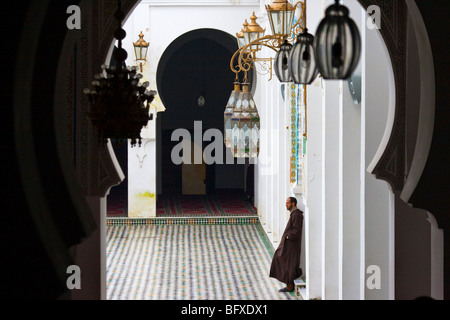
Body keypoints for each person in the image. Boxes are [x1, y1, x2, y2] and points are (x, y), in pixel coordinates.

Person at [269, 197, 304, 292]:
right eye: (286, 203)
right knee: (283, 260)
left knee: (289, 263)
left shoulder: (296, 215)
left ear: (293, 204)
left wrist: (288, 236)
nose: (286, 205)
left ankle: (290, 285)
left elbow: (296, 230)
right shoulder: (294, 214)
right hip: (289, 244)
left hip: (291, 245)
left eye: (288, 203)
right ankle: (289, 283)